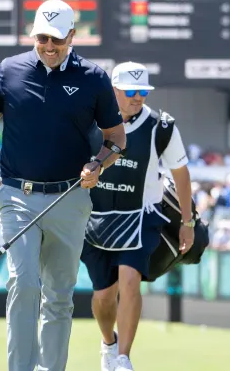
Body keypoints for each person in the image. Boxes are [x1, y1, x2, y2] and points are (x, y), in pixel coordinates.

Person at [0, 0, 126, 371]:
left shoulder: (93, 78)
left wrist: (98, 164)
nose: (48, 46)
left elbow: (116, 138)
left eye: (56, 40)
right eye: (41, 38)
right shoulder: (9, 70)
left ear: (72, 36)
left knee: (59, 297)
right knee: (25, 283)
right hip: (17, 196)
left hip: (70, 197)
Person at [80, 61, 195, 371]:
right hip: (96, 219)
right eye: (131, 91)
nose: (138, 97)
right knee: (103, 297)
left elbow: (181, 175)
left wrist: (188, 222)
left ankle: (123, 358)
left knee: (130, 282)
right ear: (113, 91)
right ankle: (108, 343)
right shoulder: (89, 121)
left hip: (142, 217)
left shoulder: (162, 126)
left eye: (143, 91)